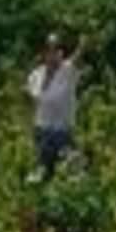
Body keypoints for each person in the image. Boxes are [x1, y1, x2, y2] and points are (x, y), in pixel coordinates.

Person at [25, 32, 88, 182]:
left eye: (56, 49)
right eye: (49, 49)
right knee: (42, 175)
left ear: (61, 52)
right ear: (44, 53)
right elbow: (34, 98)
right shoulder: (36, 75)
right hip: (42, 132)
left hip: (63, 132)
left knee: (71, 176)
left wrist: (83, 44)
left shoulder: (68, 70)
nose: (53, 53)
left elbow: (78, 55)